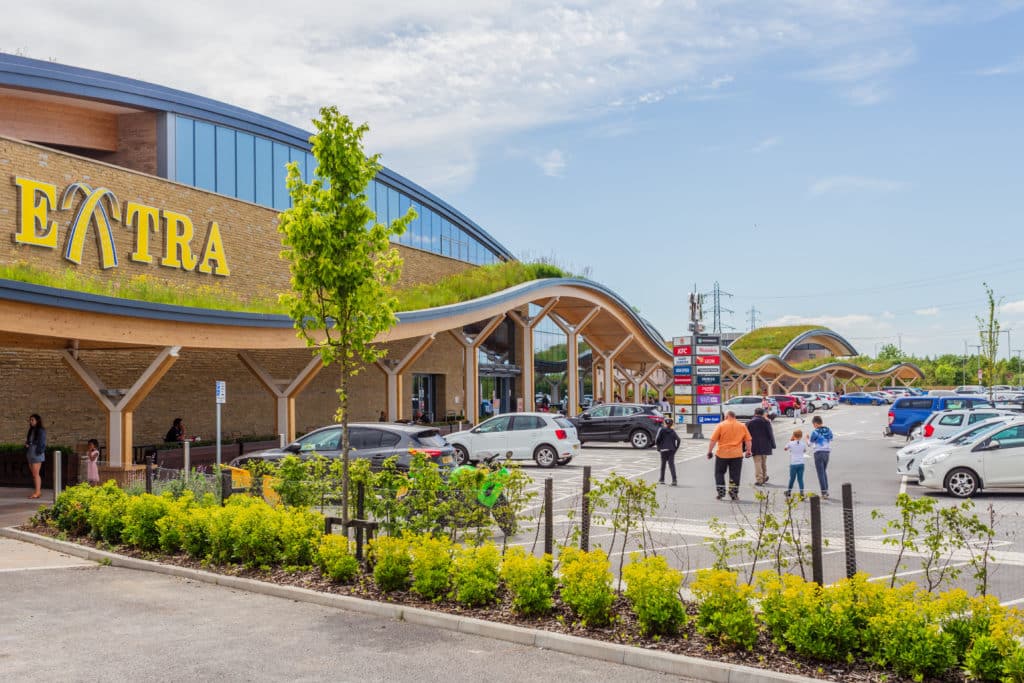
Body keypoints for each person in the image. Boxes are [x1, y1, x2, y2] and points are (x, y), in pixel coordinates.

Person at [707, 410, 752, 501]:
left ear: (727, 416)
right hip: (736, 455)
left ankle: (721, 492)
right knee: (735, 475)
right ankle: (733, 494)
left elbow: (713, 440)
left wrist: (710, 451)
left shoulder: (721, 425)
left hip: (722, 454)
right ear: (734, 416)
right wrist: (748, 451)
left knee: (719, 473)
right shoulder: (742, 426)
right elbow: (748, 440)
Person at [746, 407, 776, 486]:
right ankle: (764, 476)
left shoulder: (749, 422)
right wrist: (773, 444)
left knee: (757, 462)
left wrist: (744, 447)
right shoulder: (766, 422)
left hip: (754, 445)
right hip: (765, 445)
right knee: (763, 462)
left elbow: (746, 436)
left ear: (755, 413)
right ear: (762, 413)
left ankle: (759, 479)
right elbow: (770, 434)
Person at [808, 415, 835, 499]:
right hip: (827, 453)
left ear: (815, 423)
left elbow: (810, 443)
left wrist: (807, 439)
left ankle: (824, 493)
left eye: (813, 424)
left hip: (818, 453)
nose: (813, 426)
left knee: (820, 473)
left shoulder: (815, 432)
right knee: (823, 472)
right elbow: (831, 439)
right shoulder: (828, 430)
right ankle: (826, 490)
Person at [24, 414, 46, 499]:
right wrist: (27, 444)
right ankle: (38, 491)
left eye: (32, 420)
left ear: (37, 421)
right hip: (30, 453)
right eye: (30, 420)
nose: (30, 421)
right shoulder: (31, 430)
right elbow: (30, 441)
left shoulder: (41, 430)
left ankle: (37, 492)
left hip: (36, 453)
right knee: (34, 474)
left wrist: (39, 452)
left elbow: (42, 443)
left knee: (36, 474)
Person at [655, 417, 681, 486]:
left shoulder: (661, 429)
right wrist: (676, 448)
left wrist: (658, 447)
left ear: (665, 423)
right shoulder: (673, 431)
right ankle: (674, 480)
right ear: (672, 424)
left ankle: (662, 480)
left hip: (663, 449)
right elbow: (678, 440)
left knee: (663, 465)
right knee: (671, 465)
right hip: (671, 450)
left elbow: (657, 439)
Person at [784, 429, 808, 497]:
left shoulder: (790, 443)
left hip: (793, 464)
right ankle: (801, 492)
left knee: (792, 478)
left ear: (793, 436)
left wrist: (791, 440)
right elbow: (804, 450)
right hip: (801, 463)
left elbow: (785, 448)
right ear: (801, 436)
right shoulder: (803, 444)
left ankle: (789, 491)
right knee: (800, 479)